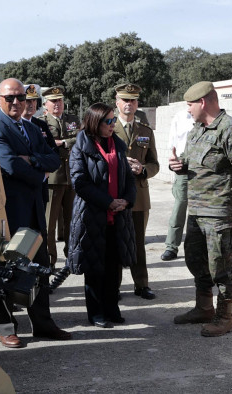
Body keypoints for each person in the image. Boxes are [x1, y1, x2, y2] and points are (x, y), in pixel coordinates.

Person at [169, 81, 232, 337]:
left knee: (220, 264)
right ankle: (204, 307)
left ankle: (224, 316)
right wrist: (179, 165)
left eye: (190, 105)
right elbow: (191, 161)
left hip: (220, 210)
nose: (188, 110)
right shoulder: (197, 129)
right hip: (197, 209)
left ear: (203, 102)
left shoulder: (230, 130)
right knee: (195, 259)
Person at [0, 78, 69, 347]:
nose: (16, 103)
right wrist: (39, 169)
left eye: (21, 98)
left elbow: (53, 158)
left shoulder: (32, 127)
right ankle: (6, 327)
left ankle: (43, 323)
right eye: (10, 98)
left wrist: (34, 161)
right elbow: (11, 166)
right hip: (9, 211)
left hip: (36, 209)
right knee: (5, 270)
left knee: (39, 268)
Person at [68, 102, 137, 327]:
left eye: (113, 120)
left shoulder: (118, 145)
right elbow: (80, 183)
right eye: (108, 121)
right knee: (95, 267)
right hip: (92, 216)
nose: (112, 124)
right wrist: (108, 202)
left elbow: (128, 178)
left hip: (118, 215)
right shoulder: (81, 146)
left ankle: (111, 309)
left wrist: (126, 200)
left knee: (113, 265)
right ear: (95, 122)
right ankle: (96, 312)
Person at [113, 83, 159, 300]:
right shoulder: (108, 127)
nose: (128, 104)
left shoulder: (145, 130)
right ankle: (113, 286)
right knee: (114, 241)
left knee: (138, 242)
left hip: (139, 195)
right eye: (125, 100)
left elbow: (154, 164)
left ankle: (141, 284)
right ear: (117, 102)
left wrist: (143, 170)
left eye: (132, 100)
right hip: (114, 193)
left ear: (137, 103)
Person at [42, 86, 79, 268]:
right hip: (53, 179)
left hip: (71, 176)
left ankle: (72, 257)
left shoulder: (72, 119)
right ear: (45, 104)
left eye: (59, 100)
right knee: (50, 224)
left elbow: (80, 137)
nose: (57, 104)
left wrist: (62, 142)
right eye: (53, 101)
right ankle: (50, 261)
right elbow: (45, 144)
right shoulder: (40, 122)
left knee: (72, 221)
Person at [22, 84, 57, 248]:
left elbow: (53, 153)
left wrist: (45, 171)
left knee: (39, 228)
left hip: (41, 184)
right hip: (21, 187)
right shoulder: (11, 126)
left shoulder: (40, 125)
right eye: (27, 101)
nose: (30, 105)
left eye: (34, 101)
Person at [160, 104, 195, 261]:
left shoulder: (211, 118)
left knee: (205, 210)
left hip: (206, 169)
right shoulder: (180, 117)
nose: (190, 107)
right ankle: (172, 246)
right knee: (180, 207)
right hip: (184, 169)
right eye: (188, 103)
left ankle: (202, 247)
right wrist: (174, 163)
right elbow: (172, 145)